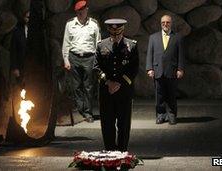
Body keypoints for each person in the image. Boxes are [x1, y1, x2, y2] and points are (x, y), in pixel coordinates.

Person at [94, 18, 139, 151]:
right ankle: (109, 151)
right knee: (107, 123)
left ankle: (122, 151)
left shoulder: (131, 45)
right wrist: (108, 82)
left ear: (122, 31)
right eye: (113, 34)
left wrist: (119, 83)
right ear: (109, 32)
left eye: (118, 34)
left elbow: (134, 68)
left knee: (124, 123)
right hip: (106, 91)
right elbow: (96, 68)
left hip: (124, 91)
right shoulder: (101, 45)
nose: (115, 37)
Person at [62, 0, 101, 123]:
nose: (81, 13)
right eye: (78, 11)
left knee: (88, 86)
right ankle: (81, 110)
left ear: (87, 10)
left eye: (83, 10)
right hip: (74, 57)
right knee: (76, 86)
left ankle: (88, 112)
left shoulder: (93, 24)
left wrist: (97, 60)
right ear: (76, 11)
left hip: (89, 58)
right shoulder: (70, 24)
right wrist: (66, 59)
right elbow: (66, 43)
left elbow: (98, 43)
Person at [146, 14, 185, 125]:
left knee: (171, 95)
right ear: (160, 24)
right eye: (163, 22)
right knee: (159, 95)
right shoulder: (153, 37)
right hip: (158, 70)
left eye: (167, 22)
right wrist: (149, 68)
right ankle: (160, 115)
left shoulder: (178, 37)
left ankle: (172, 115)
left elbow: (181, 55)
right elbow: (150, 54)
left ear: (171, 23)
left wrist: (180, 68)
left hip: (172, 71)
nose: (165, 24)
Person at [11, 10, 30, 79]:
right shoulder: (17, 32)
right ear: (24, 18)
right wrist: (15, 67)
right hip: (21, 67)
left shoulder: (40, 33)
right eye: (28, 17)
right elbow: (13, 50)